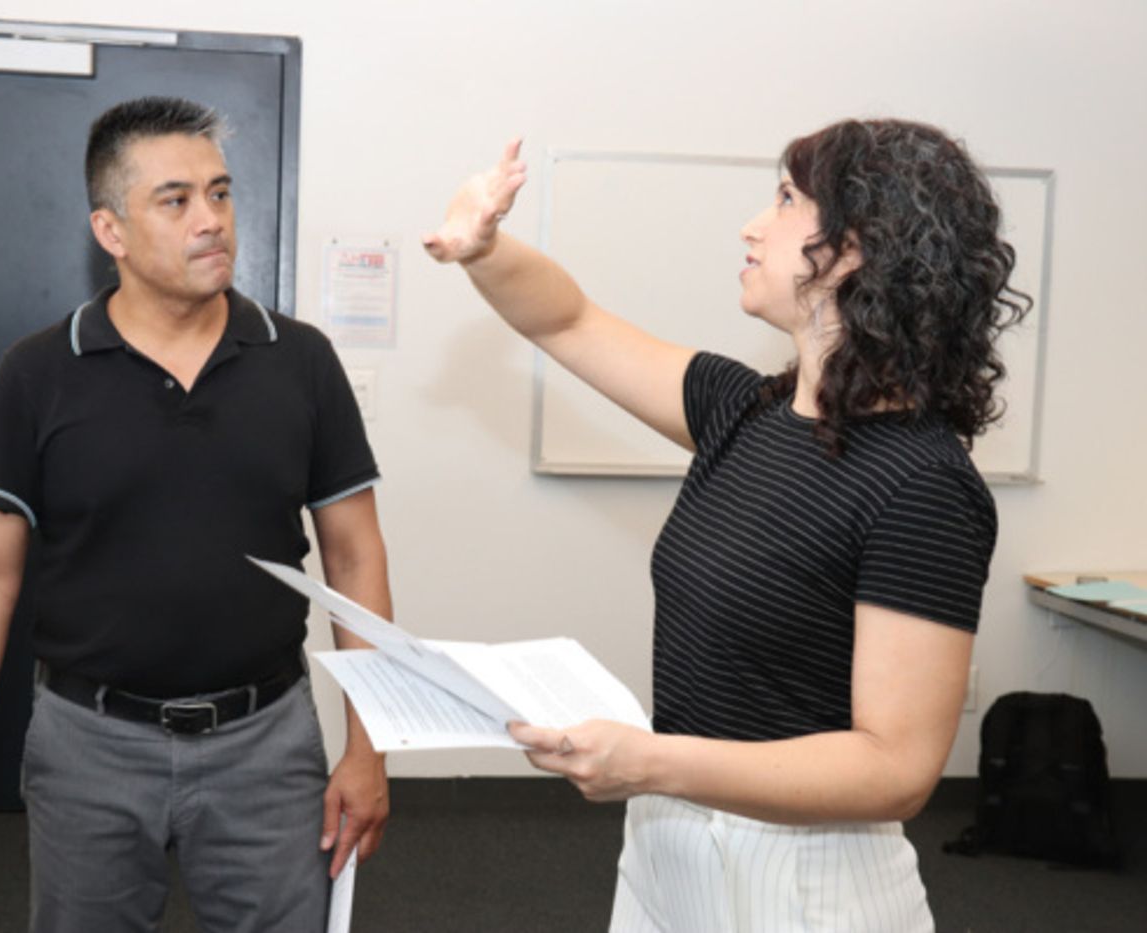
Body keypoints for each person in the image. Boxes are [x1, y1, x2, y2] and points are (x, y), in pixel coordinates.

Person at [424, 120, 1028, 931]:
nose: (752, 225)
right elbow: (565, 320)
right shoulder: (743, 411)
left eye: (785, 200)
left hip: (804, 879)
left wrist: (652, 760)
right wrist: (483, 248)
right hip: (666, 842)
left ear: (856, 248)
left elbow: (895, 768)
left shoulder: (923, 482)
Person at [0, 96, 391, 933]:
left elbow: (355, 556)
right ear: (112, 231)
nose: (211, 219)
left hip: (267, 742)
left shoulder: (302, 361)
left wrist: (369, 745)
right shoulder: (37, 374)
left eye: (220, 192)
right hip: (88, 746)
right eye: (176, 199)